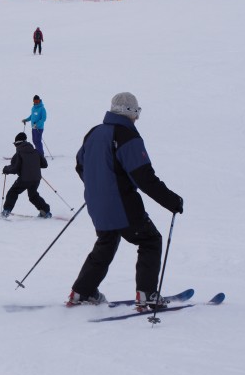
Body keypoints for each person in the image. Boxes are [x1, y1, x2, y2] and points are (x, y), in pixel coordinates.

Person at [67, 92, 184, 309]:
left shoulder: (94, 133)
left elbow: (80, 165)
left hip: (97, 203)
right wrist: (172, 201)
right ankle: (146, 293)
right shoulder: (127, 136)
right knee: (150, 240)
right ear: (132, 112)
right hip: (122, 204)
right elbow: (144, 177)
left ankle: (82, 292)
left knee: (106, 243)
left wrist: (97, 186)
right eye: (137, 113)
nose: (137, 118)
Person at [0, 132, 51, 218]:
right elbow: (44, 164)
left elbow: (14, 168)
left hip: (24, 179)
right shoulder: (36, 152)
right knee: (33, 195)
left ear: (17, 143)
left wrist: (6, 169)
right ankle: (45, 211)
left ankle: (6, 211)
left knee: (13, 192)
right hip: (36, 179)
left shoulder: (19, 154)